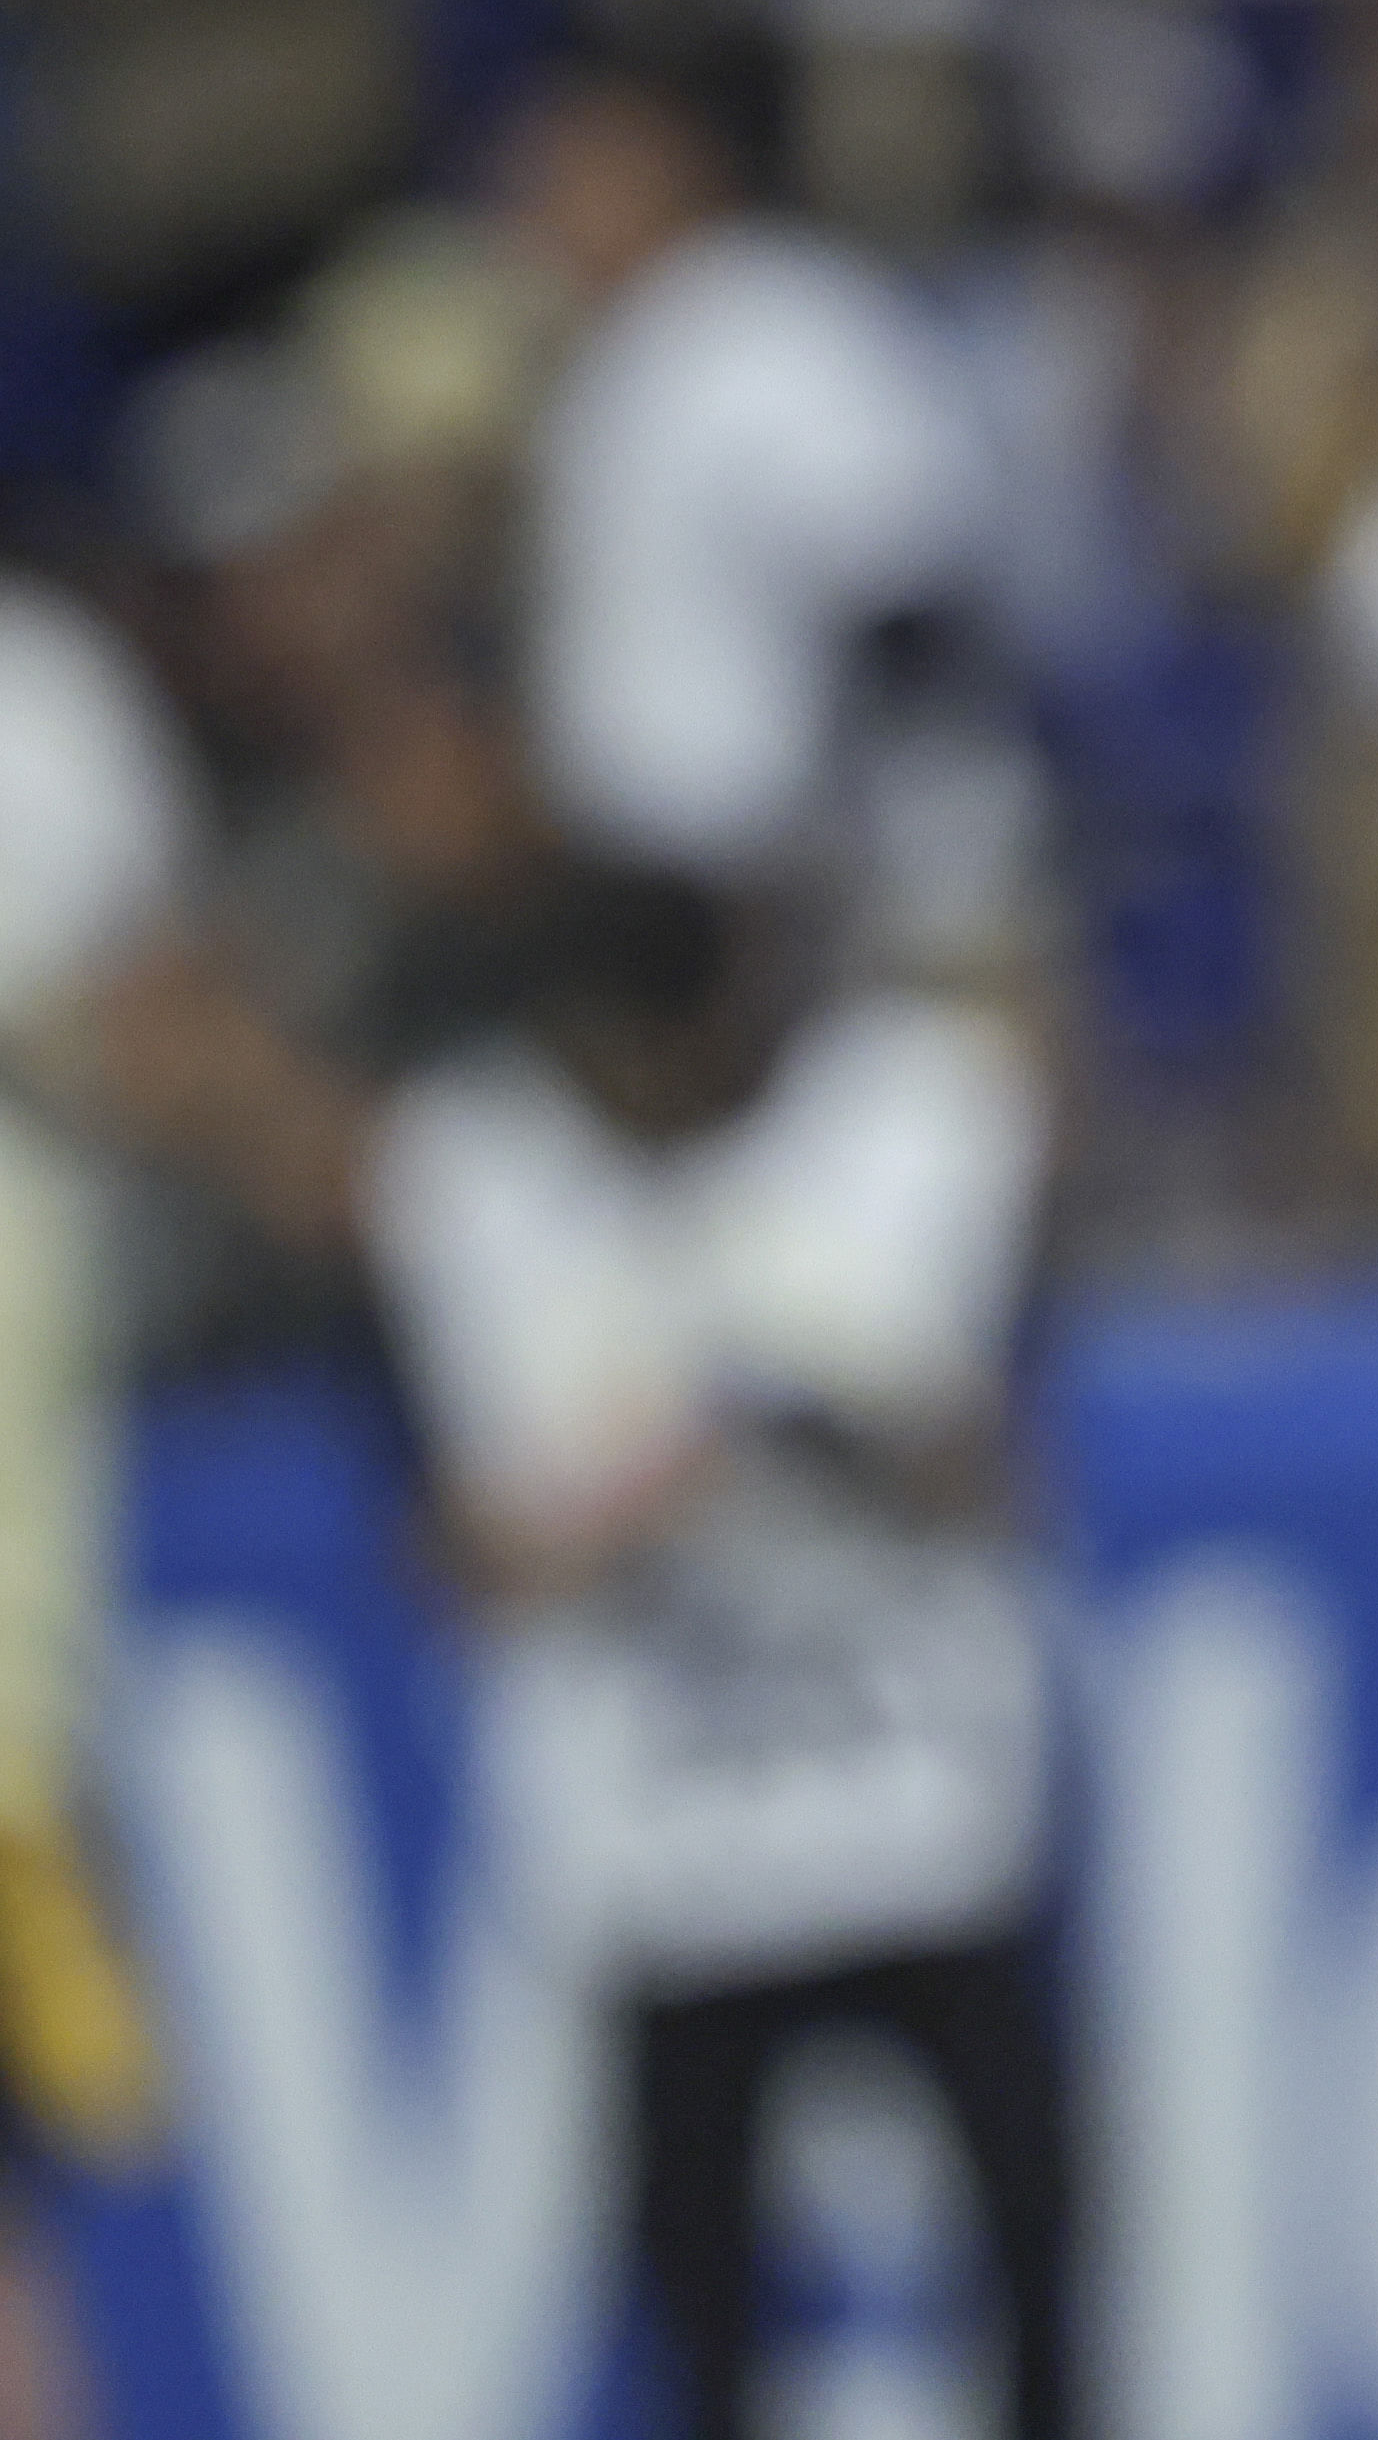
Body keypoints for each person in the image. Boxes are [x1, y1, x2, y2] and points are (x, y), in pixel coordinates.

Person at [357, 859, 1071, 2440]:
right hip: (668, 1845)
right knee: (712, 2332)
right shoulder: (470, 1180)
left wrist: (835, 1414)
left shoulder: (916, 1125)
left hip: (918, 1812)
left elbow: (1007, 1476)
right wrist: (648, 1470)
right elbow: (459, 1557)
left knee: (1034, 2274)